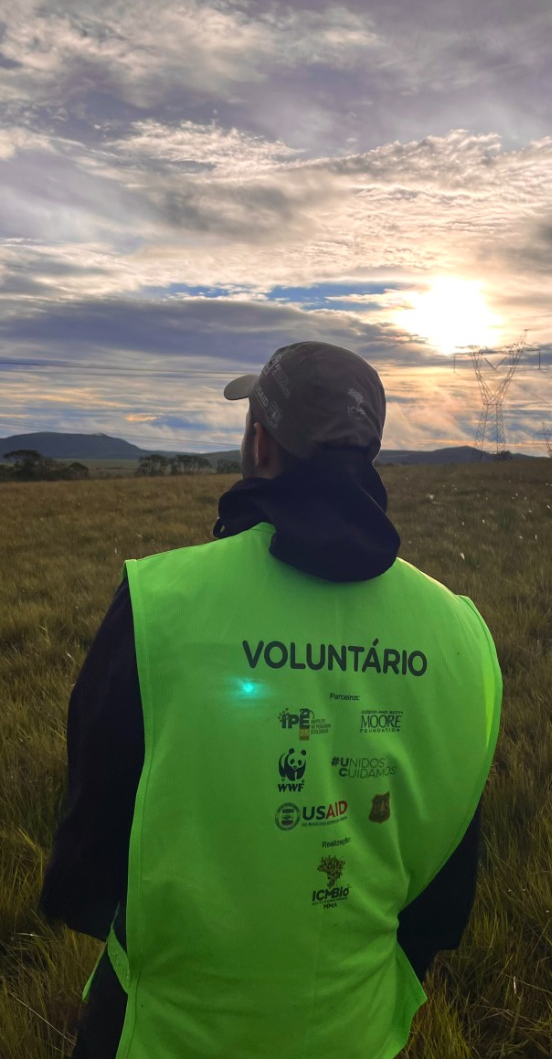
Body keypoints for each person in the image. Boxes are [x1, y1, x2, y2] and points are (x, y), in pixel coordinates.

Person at [40, 340, 502, 1059]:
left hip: (165, 1027)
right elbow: (446, 894)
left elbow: (86, 856)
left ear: (259, 442)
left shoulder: (158, 601)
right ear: (366, 448)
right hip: (357, 1026)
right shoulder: (461, 632)